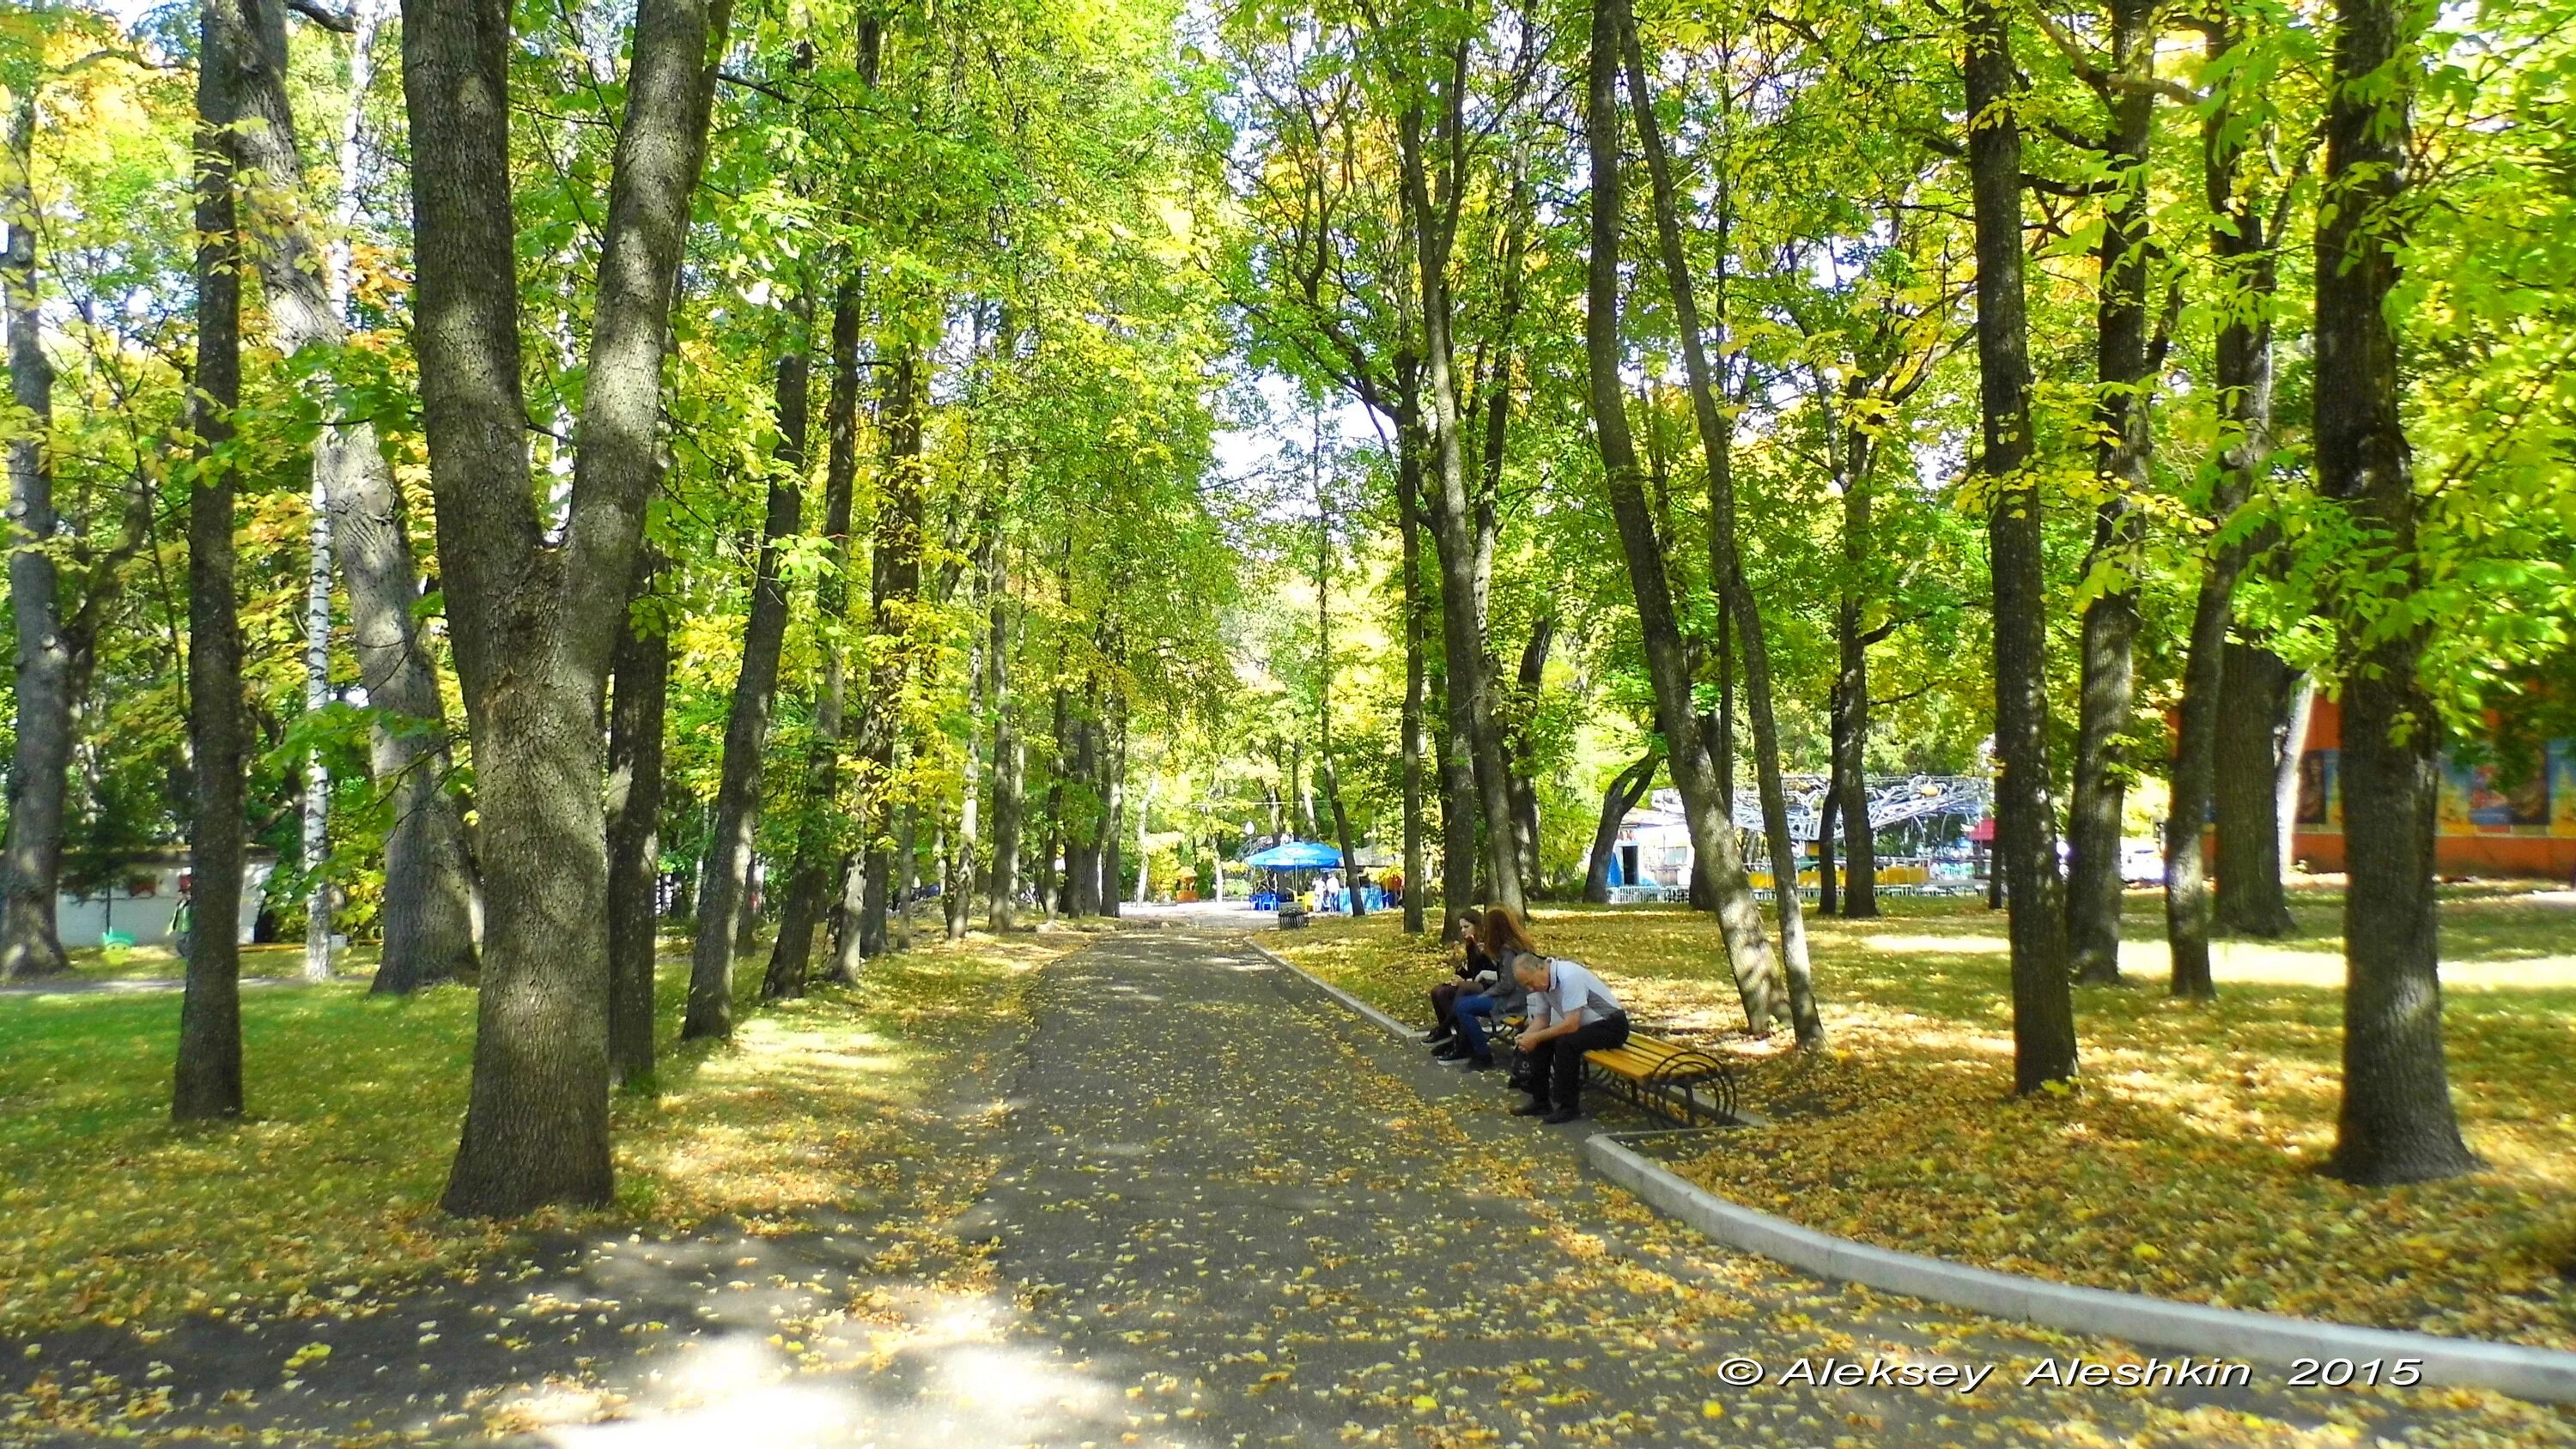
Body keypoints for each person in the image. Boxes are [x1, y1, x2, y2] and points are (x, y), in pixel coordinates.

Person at [1504, 949, 1631, 1124]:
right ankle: (1540, 1100)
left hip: (1611, 1025)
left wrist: (1536, 1037)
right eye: (1526, 985)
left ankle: (1568, 1106)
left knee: (1566, 1043)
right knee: (1541, 1041)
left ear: (1541, 969)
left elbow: (1571, 1024)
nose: (1531, 988)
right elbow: (1542, 1019)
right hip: (1586, 1026)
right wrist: (1525, 1037)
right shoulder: (1542, 985)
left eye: (1531, 983)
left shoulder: (1568, 976)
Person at [1431, 905, 1536, 1070]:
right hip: (1511, 996)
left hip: (1514, 1002)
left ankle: (1481, 1054)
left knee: (1463, 1006)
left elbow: (1507, 984)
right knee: (1460, 1001)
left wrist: (1486, 994)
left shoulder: (1508, 950)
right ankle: (1460, 1042)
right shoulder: (1507, 946)